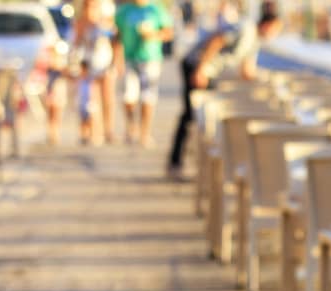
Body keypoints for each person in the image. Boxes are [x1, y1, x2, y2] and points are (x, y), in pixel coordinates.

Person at [167, 7, 281, 179]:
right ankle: (175, 161)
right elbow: (217, 40)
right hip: (196, 65)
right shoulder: (245, 29)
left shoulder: (255, 40)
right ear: (267, 24)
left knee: (202, 115)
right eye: (276, 29)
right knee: (191, 114)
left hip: (208, 71)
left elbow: (246, 69)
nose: (275, 34)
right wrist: (201, 69)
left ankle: (188, 160)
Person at [114, 0, 174, 148]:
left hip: (150, 59)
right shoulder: (124, 11)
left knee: (148, 97)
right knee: (128, 96)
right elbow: (117, 36)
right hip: (129, 58)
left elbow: (168, 33)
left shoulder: (156, 9)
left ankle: (145, 133)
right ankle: (131, 126)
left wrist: (153, 35)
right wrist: (117, 58)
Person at [72, 0, 117, 146]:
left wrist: (116, 62)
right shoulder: (80, 23)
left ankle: (108, 129)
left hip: (106, 62)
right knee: (91, 100)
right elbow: (77, 45)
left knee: (108, 98)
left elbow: (116, 42)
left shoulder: (107, 22)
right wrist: (80, 65)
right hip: (89, 64)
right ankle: (93, 131)